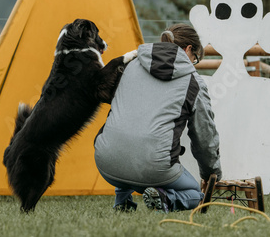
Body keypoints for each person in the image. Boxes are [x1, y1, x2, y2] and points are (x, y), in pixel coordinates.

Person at [94, 23, 222, 213]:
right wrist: (211, 172)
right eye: (194, 59)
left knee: (130, 129)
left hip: (105, 161)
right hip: (155, 170)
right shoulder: (193, 82)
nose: (193, 65)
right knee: (194, 193)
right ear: (188, 49)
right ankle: (165, 199)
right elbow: (204, 136)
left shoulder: (132, 65)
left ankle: (122, 201)